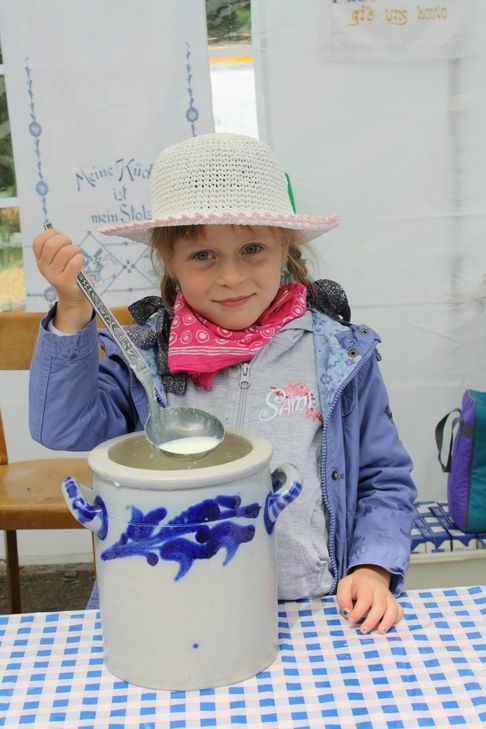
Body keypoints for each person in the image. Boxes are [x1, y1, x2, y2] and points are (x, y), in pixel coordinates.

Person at [30, 132, 416, 635]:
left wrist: (372, 566)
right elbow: (61, 427)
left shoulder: (340, 355)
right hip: (167, 609)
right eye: (203, 256)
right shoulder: (145, 355)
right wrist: (72, 312)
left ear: (285, 248)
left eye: (252, 248)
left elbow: (384, 478)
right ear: (170, 263)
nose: (231, 276)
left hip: (311, 608)